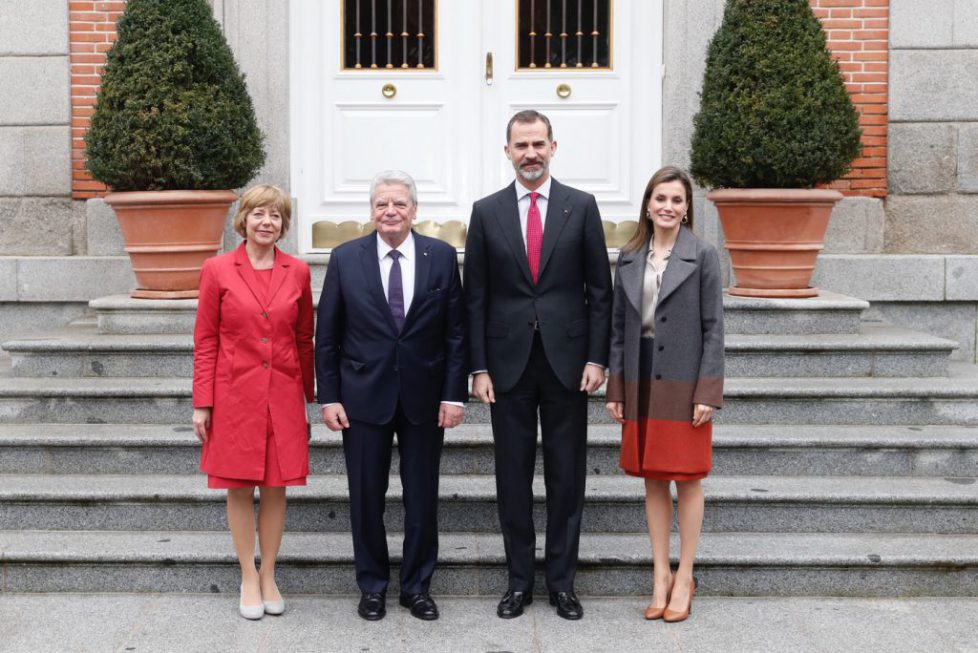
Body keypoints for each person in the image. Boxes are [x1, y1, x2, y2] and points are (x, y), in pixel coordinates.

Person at [464, 109, 612, 621]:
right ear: (507, 151)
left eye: (538, 144)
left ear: (554, 147)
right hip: (507, 366)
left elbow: (601, 292)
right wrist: (477, 367)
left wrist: (597, 357)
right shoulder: (486, 212)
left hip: (570, 364)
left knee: (567, 478)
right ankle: (519, 583)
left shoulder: (582, 207)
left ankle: (562, 584)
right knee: (512, 478)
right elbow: (474, 297)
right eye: (520, 145)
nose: (530, 153)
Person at [315, 170, 467, 622]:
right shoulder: (345, 258)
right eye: (382, 204)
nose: (390, 211)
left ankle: (417, 587)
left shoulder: (440, 256)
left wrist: (454, 395)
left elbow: (455, 334)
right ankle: (373, 586)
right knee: (366, 497)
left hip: (425, 396)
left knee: (422, 497)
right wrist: (329, 397)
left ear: (415, 210)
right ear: (371, 211)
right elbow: (328, 336)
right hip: (362, 397)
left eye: (399, 203)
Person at [604, 165, 724, 623]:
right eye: (660, 199)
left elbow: (714, 329)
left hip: (684, 378)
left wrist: (707, 392)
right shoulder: (630, 257)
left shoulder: (703, 255)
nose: (668, 207)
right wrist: (616, 387)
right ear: (648, 205)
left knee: (688, 476)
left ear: (687, 207)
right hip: (639, 374)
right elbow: (618, 329)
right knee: (653, 476)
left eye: (676, 200)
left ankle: (686, 574)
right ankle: (660, 575)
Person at [191, 184, 315, 620]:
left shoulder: (297, 271)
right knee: (240, 486)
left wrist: (312, 396)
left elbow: (304, 337)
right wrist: (202, 401)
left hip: (282, 393)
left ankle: (269, 574)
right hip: (233, 395)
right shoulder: (218, 269)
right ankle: (247, 574)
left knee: (277, 486)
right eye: (259, 214)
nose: (267, 222)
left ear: (283, 225)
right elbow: (205, 339)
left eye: (276, 216)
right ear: (243, 219)